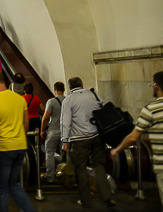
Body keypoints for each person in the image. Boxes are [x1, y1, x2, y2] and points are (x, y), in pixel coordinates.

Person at [61, 77, 116, 208]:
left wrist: (64, 141)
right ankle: (107, 196)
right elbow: (105, 111)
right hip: (97, 136)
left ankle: (86, 200)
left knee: (80, 169)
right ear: (82, 84)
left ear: (69, 87)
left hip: (79, 139)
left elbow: (66, 123)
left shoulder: (68, 100)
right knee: (98, 166)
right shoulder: (94, 94)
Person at [0, 70, 36, 212]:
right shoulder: (20, 99)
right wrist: (20, 136)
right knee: (13, 185)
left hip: (2, 148)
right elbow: (26, 122)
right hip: (20, 146)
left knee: (1, 189)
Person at [112, 71, 163, 206]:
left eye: (151, 84)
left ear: (156, 86)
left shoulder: (151, 109)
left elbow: (133, 137)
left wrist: (117, 150)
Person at [40, 81, 66, 183]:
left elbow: (46, 117)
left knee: (49, 152)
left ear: (55, 89)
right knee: (64, 154)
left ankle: (50, 176)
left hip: (53, 131)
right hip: (65, 132)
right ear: (63, 90)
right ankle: (63, 174)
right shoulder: (68, 101)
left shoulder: (51, 101)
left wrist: (42, 130)